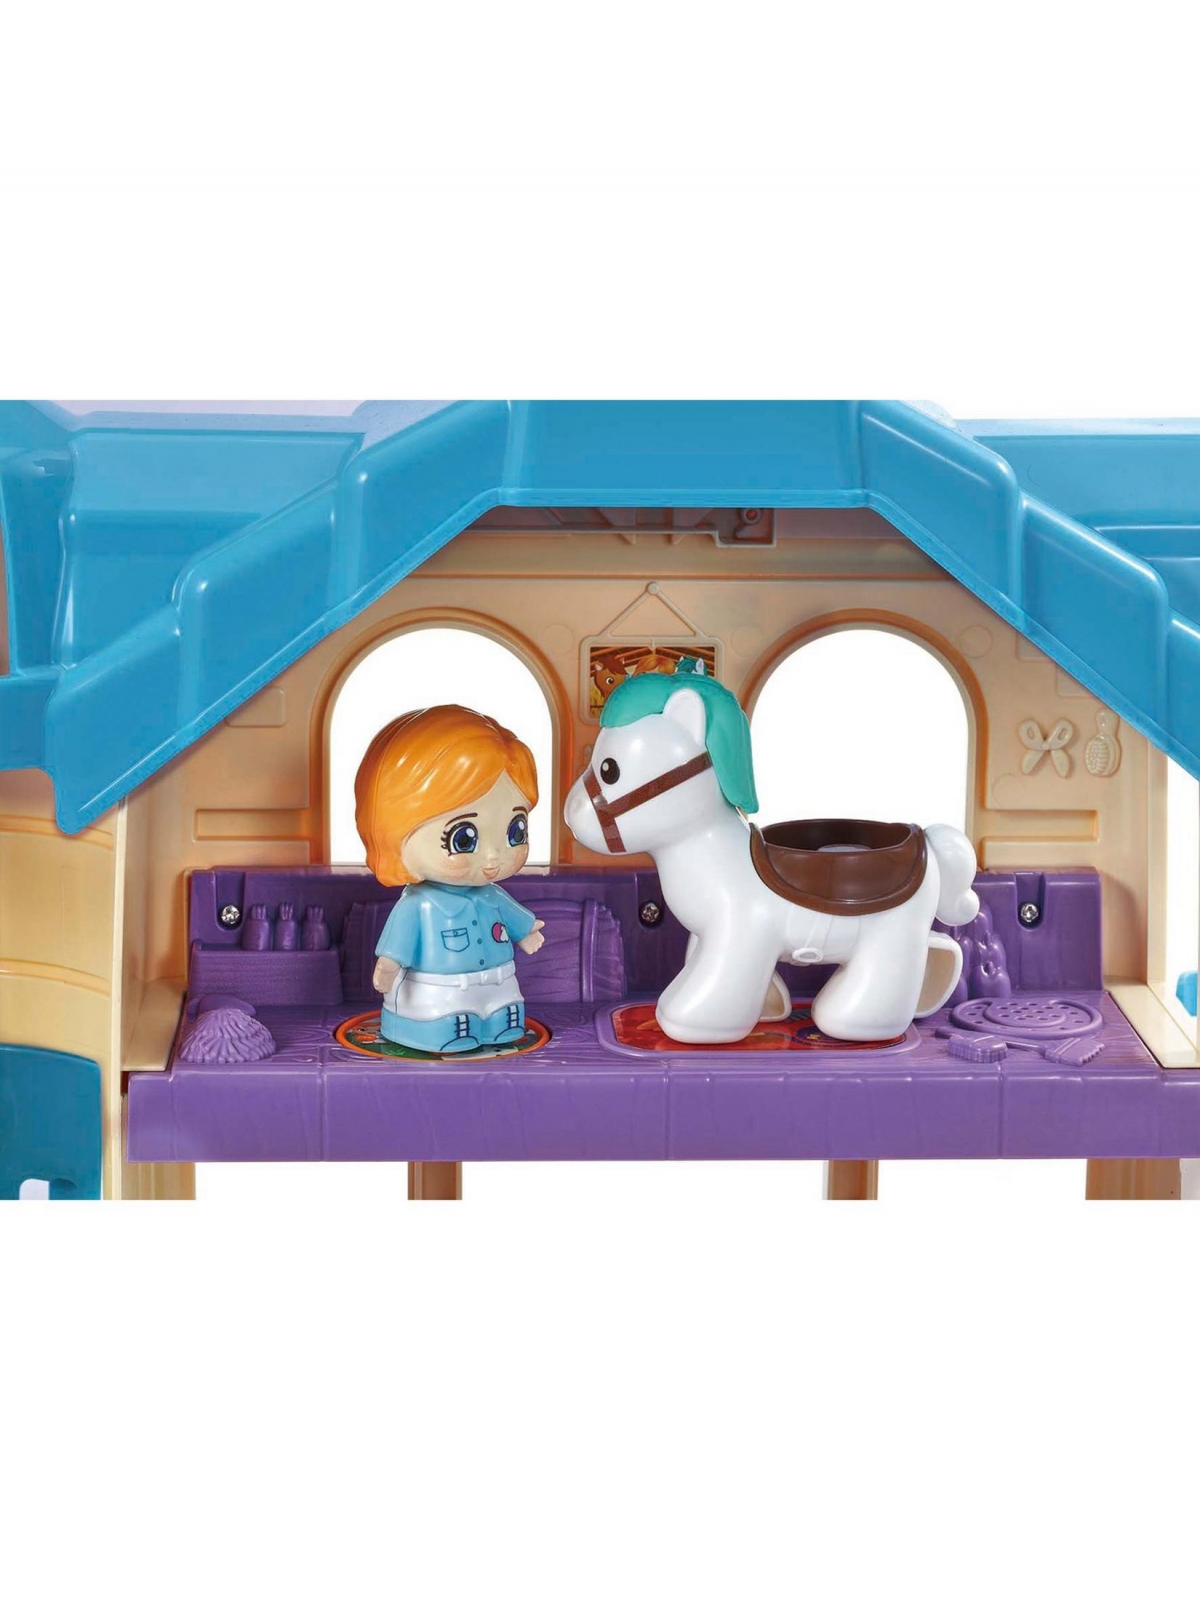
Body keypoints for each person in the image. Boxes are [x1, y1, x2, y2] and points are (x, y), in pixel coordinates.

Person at [355, 705, 545, 1053]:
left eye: (515, 832)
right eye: (464, 838)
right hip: (439, 990)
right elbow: (397, 944)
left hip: (498, 981)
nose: (492, 858)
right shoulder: (419, 904)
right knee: (449, 1021)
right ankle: (441, 1030)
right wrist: (389, 966)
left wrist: (527, 932)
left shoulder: (492, 894)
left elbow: (515, 919)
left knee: (505, 1014)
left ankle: (498, 1022)